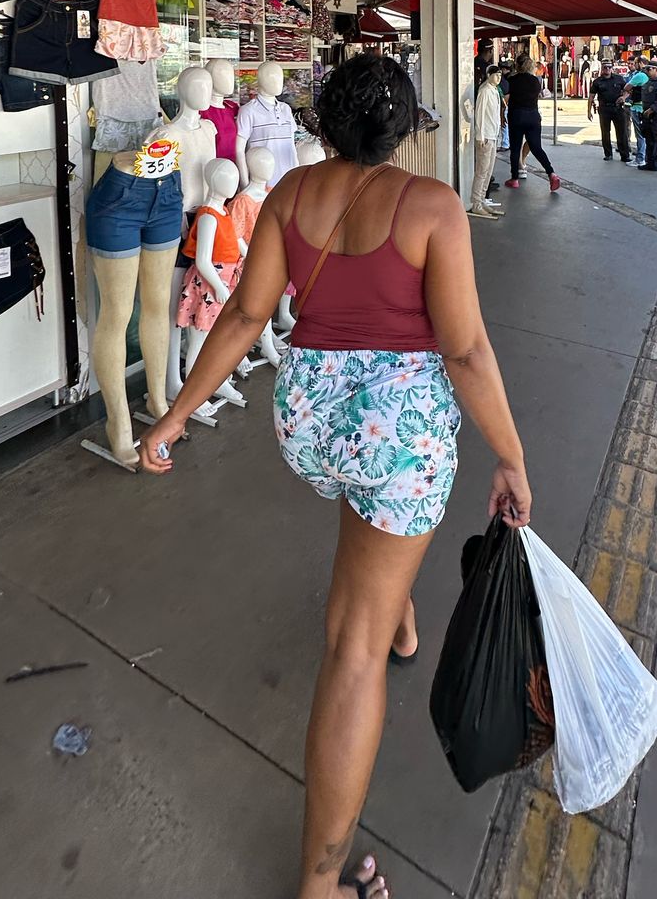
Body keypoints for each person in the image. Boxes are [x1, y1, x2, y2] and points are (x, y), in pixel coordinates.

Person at [139, 54, 532, 899]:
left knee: (372, 533)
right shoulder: (432, 206)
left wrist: (173, 416)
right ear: (404, 130)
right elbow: (464, 350)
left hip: (313, 423)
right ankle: (319, 888)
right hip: (396, 434)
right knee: (351, 649)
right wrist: (510, 454)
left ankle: (399, 617)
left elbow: (247, 314)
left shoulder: (289, 195)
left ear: (324, 122)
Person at [505, 52, 561, 191]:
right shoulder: (536, 81)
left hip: (517, 116)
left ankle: (514, 178)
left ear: (517, 65)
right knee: (536, 147)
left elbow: (506, 95)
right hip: (533, 116)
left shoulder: (512, 80)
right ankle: (551, 173)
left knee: (515, 148)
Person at [469, 65, 506, 219]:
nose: (498, 78)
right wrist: (480, 135)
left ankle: (482, 199)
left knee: (489, 171)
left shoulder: (495, 90)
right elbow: (479, 114)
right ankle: (476, 202)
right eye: (496, 75)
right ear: (489, 75)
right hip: (485, 136)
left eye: (500, 75)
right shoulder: (484, 90)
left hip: (493, 135)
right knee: (482, 171)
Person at [588, 60, 631, 161]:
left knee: (622, 132)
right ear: (602, 69)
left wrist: (624, 97)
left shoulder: (619, 79)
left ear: (612, 68)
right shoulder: (597, 81)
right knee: (605, 132)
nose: (607, 69)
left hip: (618, 108)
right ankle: (608, 154)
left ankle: (625, 155)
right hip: (604, 109)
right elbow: (591, 97)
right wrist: (588, 111)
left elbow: (628, 90)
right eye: (605, 67)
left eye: (609, 67)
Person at [621, 55, 650, 164]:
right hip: (647, 107)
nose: (633, 65)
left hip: (637, 107)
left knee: (640, 135)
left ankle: (640, 158)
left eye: (635, 63)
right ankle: (646, 157)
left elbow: (626, 87)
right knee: (647, 134)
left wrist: (631, 90)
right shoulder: (652, 75)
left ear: (640, 63)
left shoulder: (640, 75)